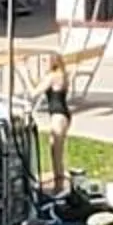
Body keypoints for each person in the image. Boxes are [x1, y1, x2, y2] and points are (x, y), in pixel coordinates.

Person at [35, 61, 74, 189]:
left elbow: (36, 91)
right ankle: (60, 178)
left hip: (57, 115)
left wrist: (26, 73)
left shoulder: (52, 77)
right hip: (64, 113)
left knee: (55, 150)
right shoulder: (63, 76)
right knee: (57, 149)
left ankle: (59, 183)